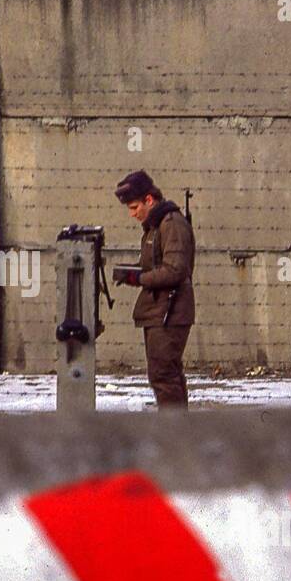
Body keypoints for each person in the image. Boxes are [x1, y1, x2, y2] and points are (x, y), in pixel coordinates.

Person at [112, 169, 196, 408]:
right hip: (161, 311)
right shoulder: (156, 226)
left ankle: (172, 434)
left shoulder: (171, 224)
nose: (132, 214)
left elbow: (175, 270)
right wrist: (131, 274)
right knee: (166, 376)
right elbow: (156, 266)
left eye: (134, 207)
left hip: (169, 312)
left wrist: (139, 279)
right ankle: (176, 432)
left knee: (164, 377)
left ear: (149, 200)